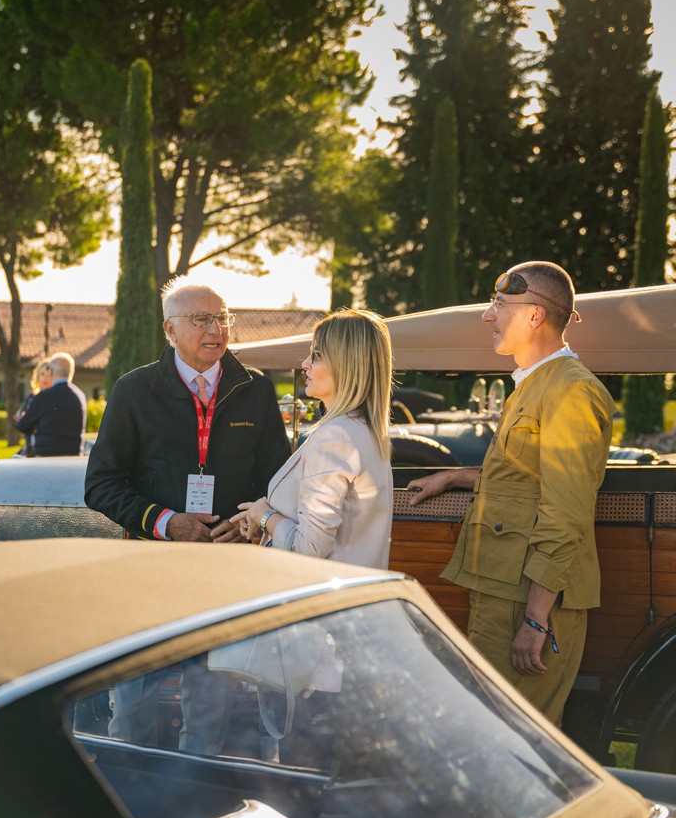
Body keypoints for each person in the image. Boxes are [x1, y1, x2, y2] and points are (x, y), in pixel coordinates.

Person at [85, 280, 290, 752]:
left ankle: (195, 793)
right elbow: (100, 484)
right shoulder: (134, 390)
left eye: (222, 318)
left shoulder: (256, 389)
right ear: (170, 330)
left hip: (227, 568)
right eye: (201, 319)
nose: (215, 329)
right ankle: (129, 798)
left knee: (212, 699)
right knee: (135, 697)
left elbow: (277, 483)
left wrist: (248, 524)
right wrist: (166, 522)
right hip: (150, 567)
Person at [409, 261, 615, 727]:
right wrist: (459, 476)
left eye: (499, 304)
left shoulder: (569, 392)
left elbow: (566, 512)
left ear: (535, 316)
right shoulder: (536, 385)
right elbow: (528, 478)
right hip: (507, 592)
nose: (488, 316)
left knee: (513, 741)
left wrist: (537, 620)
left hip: (529, 601)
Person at [233, 308, 394, 570]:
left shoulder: (336, 436)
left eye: (317, 355)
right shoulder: (364, 430)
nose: (305, 363)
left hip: (323, 593)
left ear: (347, 364)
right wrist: (263, 515)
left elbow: (308, 548)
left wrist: (264, 515)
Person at [14, 352, 86, 456]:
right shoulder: (80, 396)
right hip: (74, 457)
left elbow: (23, 426)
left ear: (51, 371)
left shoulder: (44, 396)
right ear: (71, 372)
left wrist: (23, 419)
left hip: (47, 459)